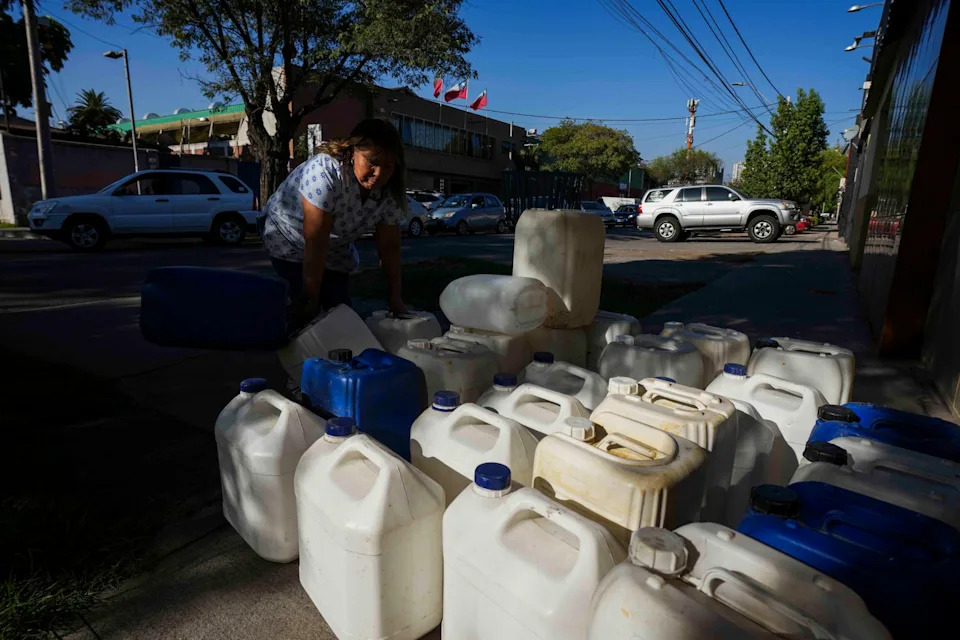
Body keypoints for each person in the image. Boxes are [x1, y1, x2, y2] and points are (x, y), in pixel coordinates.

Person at [261, 119, 408, 326]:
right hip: (288, 236)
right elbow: (315, 239)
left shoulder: (390, 190)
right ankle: (294, 351)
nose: (379, 174)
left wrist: (395, 295)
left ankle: (336, 352)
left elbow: (389, 247)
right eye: (372, 162)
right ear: (353, 151)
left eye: (388, 166)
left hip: (334, 249)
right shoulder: (325, 170)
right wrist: (311, 298)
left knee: (341, 314)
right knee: (305, 312)